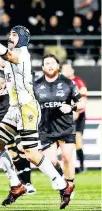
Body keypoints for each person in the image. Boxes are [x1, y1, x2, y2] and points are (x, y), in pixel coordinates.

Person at [0, 26, 74, 209]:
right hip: (14, 108)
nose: (10, 36)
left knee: (31, 154)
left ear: (23, 38)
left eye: (14, 34)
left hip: (27, 108)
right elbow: (8, 65)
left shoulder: (22, 52)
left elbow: (11, 57)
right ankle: (16, 185)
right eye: (10, 34)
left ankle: (63, 186)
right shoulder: (10, 55)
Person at [0, 53, 36, 194]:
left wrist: (9, 85)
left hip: (20, 114)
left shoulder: (18, 69)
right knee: (12, 152)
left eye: (4, 57)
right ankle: (23, 183)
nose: (3, 59)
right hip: (3, 117)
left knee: (22, 148)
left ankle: (28, 183)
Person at [34, 54, 85, 191]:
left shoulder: (69, 83)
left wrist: (71, 107)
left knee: (67, 158)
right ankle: (60, 179)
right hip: (46, 129)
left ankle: (69, 186)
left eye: (52, 63)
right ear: (43, 67)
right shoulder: (36, 85)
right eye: (47, 63)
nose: (50, 65)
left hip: (66, 128)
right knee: (51, 161)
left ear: (57, 66)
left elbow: (82, 103)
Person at [61, 60, 88, 173]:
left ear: (72, 70)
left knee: (77, 140)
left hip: (78, 115)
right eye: (64, 69)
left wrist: (76, 112)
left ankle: (81, 165)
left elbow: (83, 98)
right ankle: (68, 165)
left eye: (68, 69)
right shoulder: (61, 82)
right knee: (64, 142)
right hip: (65, 116)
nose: (66, 71)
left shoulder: (78, 82)